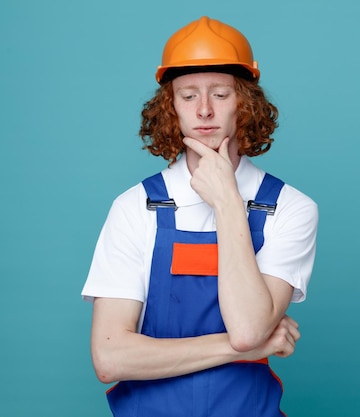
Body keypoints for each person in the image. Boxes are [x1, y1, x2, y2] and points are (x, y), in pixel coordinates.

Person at [81, 16, 318, 417]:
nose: (204, 110)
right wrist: (247, 347)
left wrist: (226, 200)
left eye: (221, 94)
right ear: (170, 108)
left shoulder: (290, 208)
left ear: (246, 103)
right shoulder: (135, 207)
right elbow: (110, 358)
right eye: (188, 96)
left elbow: (247, 329)